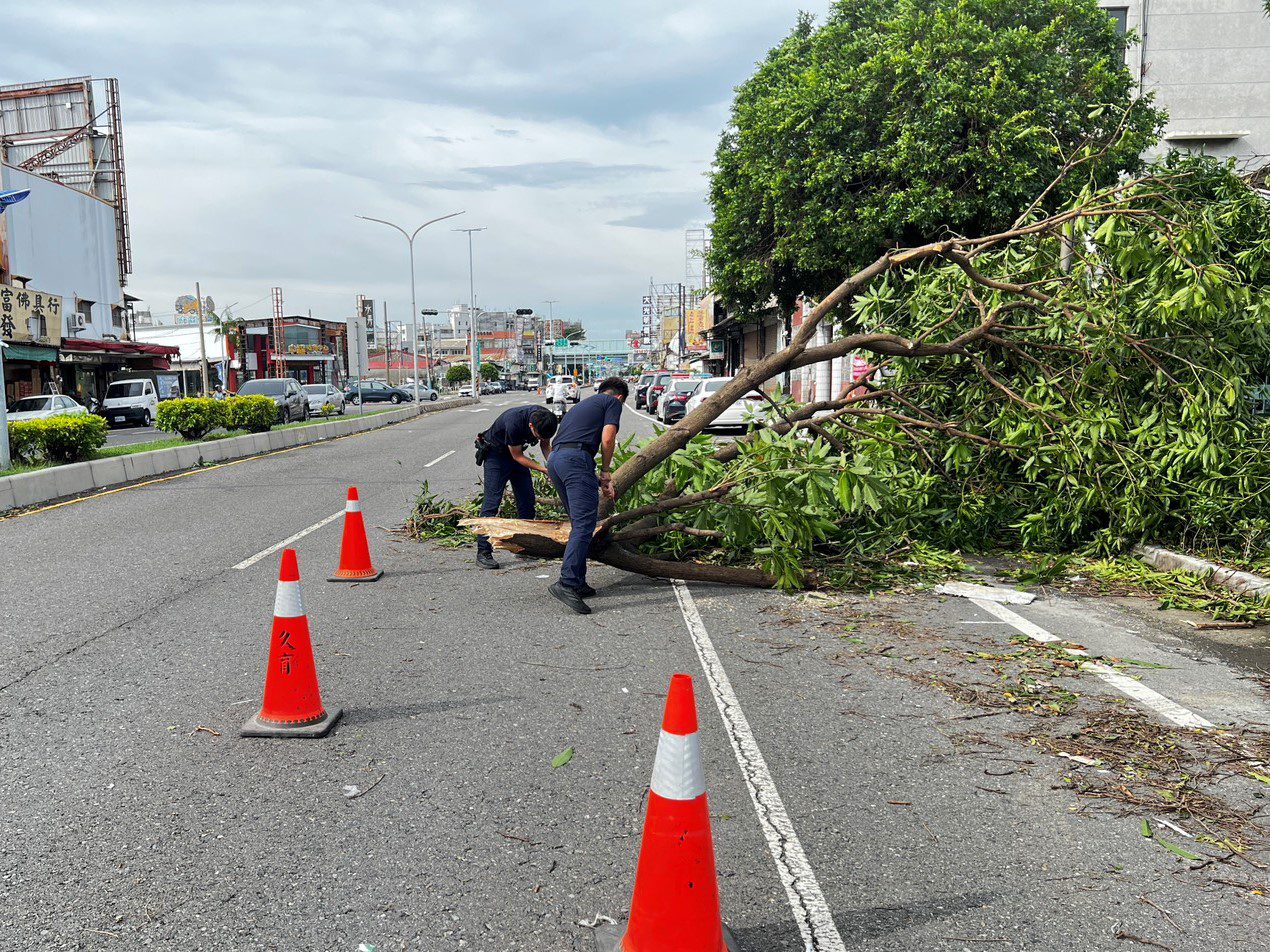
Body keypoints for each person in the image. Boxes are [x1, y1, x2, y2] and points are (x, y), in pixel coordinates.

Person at [545, 376, 628, 614]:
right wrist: (605, 471)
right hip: (575, 460)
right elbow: (608, 437)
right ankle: (567, 582)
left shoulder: (582, 406)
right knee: (584, 525)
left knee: (578, 523)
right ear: (619, 397)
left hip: (557, 460)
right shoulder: (611, 403)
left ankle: (578, 582)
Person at [475, 405, 558, 569]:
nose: (541, 438)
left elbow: (545, 445)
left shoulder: (545, 419)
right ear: (531, 426)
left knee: (527, 500)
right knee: (492, 503)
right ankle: (483, 552)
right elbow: (517, 456)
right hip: (496, 456)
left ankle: (524, 547)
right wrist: (543, 470)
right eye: (538, 435)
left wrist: (553, 466)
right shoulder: (514, 422)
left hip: (515, 453)